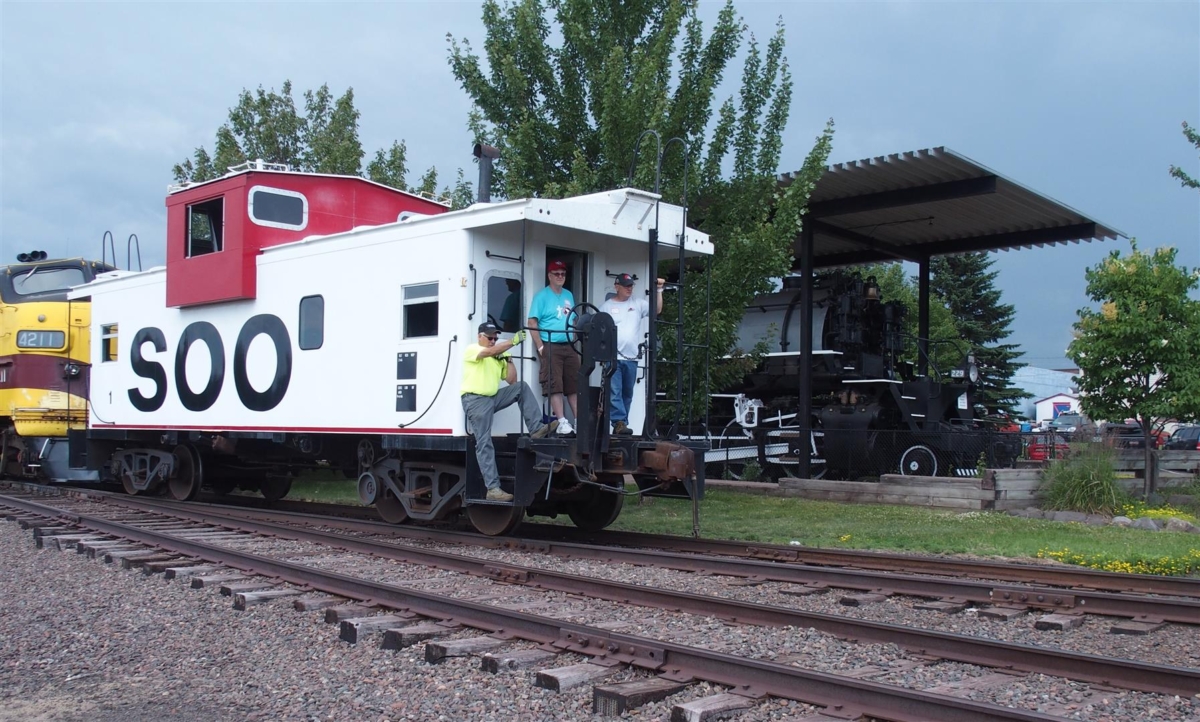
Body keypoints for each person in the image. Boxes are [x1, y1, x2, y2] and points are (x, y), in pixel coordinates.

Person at [461, 322, 557, 501]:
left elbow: (512, 380)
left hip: (491, 397)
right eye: (490, 338)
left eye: (495, 338)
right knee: (484, 442)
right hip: (475, 400)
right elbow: (489, 352)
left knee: (521, 388)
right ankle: (493, 489)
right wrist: (511, 342)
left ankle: (536, 428)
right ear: (479, 336)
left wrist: (508, 358)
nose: (493, 341)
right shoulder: (472, 349)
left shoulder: (497, 354)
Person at [599, 273, 664, 435]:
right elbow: (598, 329)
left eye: (631, 285)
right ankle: (619, 422)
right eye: (626, 285)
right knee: (615, 392)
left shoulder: (638, 304)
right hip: (613, 357)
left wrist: (660, 290)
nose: (630, 289)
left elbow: (656, 310)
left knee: (627, 392)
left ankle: (622, 424)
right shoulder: (606, 306)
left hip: (632, 358)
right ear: (617, 286)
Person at [527, 260, 579, 435]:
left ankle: (579, 421)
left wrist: (576, 337)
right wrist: (540, 347)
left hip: (569, 344)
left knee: (574, 384)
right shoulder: (541, 296)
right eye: (556, 273)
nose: (560, 277)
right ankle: (562, 421)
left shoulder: (568, 295)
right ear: (549, 276)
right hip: (550, 344)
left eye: (563, 274)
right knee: (554, 384)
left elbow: (574, 318)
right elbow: (532, 321)